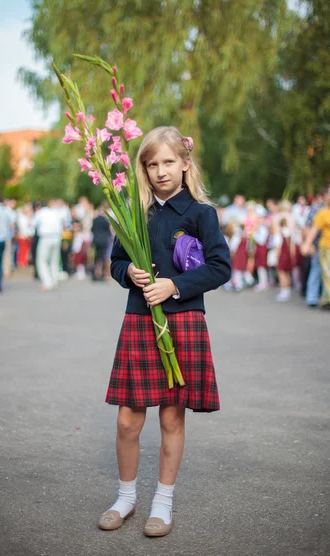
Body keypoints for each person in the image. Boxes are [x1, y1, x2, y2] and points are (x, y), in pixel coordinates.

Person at [98, 126, 231, 537]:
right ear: (143, 168)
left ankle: (163, 502)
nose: (160, 171)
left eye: (168, 162)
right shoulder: (134, 212)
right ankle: (126, 497)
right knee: (126, 421)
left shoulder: (201, 213)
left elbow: (220, 267)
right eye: (151, 164)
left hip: (184, 320)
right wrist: (128, 272)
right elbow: (115, 263)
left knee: (171, 417)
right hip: (139, 319)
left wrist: (175, 286)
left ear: (185, 163)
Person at [302, 191, 330, 312]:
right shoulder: (323, 214)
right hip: (328, 249)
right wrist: (307, 244)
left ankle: (327, 300)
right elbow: (313, 230)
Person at [32, 200, 63, 291]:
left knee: (42, 261)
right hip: (56, 238)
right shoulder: (55, 212)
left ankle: (47, 282)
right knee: (54, 261)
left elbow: (33, 224)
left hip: (45, 238)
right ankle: (54, 281)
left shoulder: (40, 213)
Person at [91, 202, 112, 281]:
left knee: (97, 257)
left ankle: (96, 273)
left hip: (96, 240)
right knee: (103, 257)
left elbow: (92, 229)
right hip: (104, 241)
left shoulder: (95, 220)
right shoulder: (105, 220)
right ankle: (103, 274)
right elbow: (109, 231)